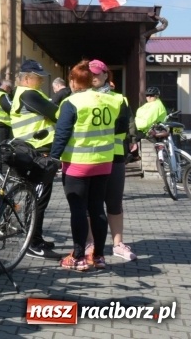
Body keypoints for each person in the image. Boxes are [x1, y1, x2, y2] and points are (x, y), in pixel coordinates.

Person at [50, 60, 121, 271]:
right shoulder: (111, 101)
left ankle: (79, 256)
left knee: (78, 210)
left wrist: (53, 158)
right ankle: (98, 256)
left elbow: (62, 133)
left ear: (73, 81)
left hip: (78, 163)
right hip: (104, 162)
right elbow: (121, 126)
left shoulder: (71, 102)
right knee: (97, 207)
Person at [10, 59, 61, 260]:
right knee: (38, 200)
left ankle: (35, 237)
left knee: (36, 198)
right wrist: (63, 96)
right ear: (27, 78)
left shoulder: (28, 93)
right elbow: (55, 113)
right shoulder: (28, 94)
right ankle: (33, 243)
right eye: (38, 77)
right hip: (36, 153)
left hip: (33, 151)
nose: (41, 81)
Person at [87, 59, 137, 261]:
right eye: (91, 73)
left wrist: (133, 140)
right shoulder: (81, 98)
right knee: (91, 204)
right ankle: (90, 243)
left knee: (114, 202)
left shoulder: (119, 99)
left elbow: (128, 124)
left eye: (98, 73)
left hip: (114, 156)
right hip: (89, 156)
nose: (94, 77)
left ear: (107, 74)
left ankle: (118, 244)